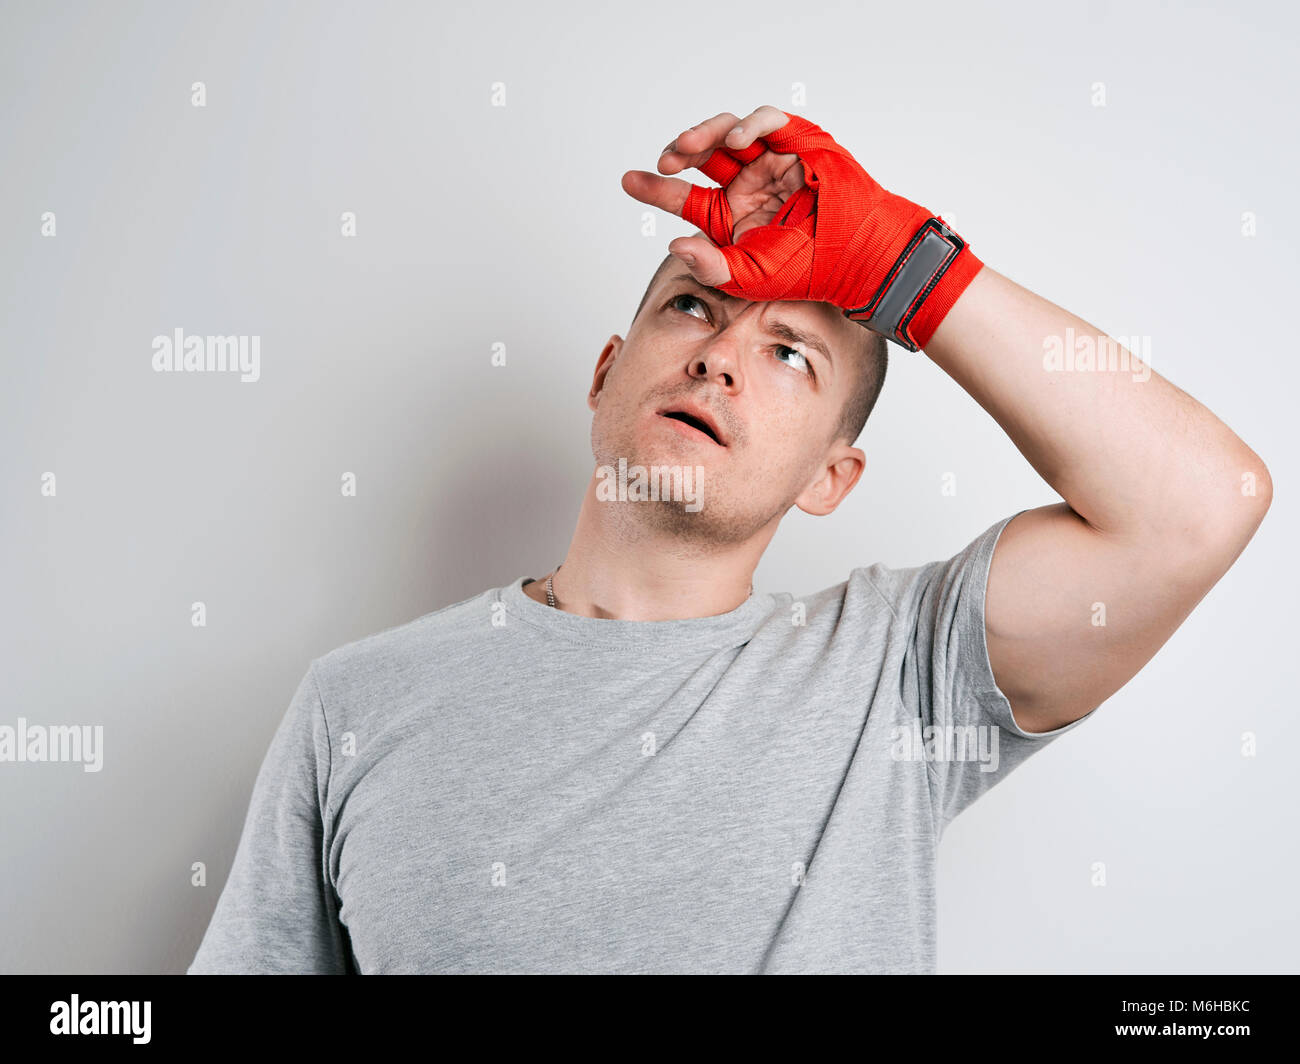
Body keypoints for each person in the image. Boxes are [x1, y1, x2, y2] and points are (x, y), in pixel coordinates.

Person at [187, 105, 1272, 974]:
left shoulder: (898, 671)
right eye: (695, 309)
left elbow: (1200, 505)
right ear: (607, 369)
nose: (720, 359)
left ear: (830, 478)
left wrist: (907, 267)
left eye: (791, 352)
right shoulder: (354, 704)